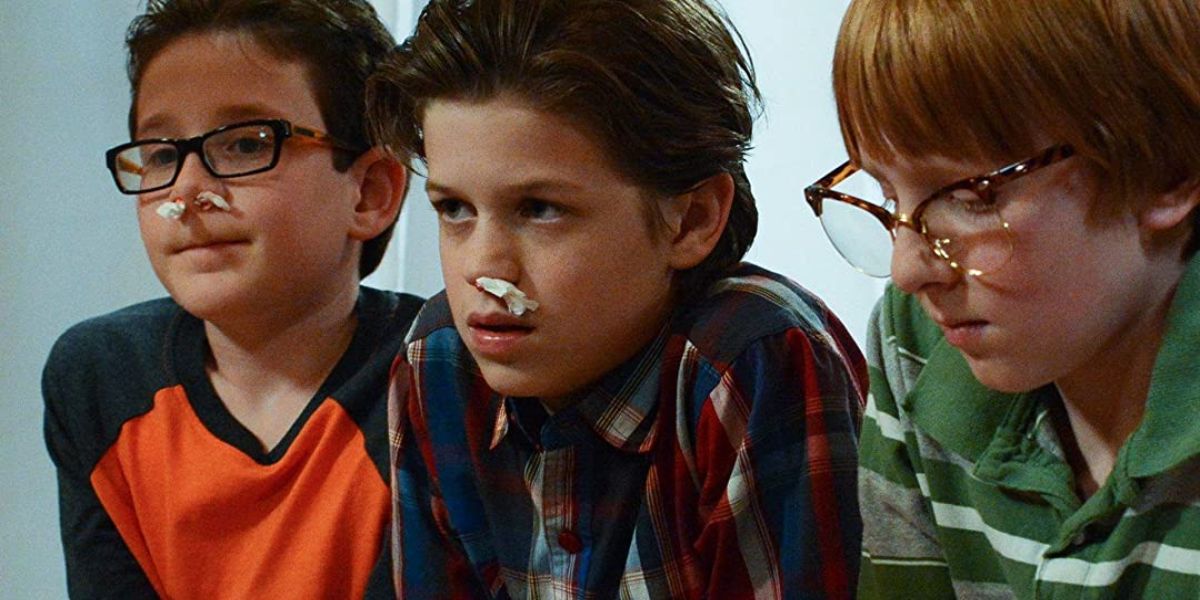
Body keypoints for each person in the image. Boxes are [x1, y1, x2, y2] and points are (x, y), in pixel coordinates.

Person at [366, 0, 868, 597]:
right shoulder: (438, 362)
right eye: (454, 209)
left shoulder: (754, 363)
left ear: (691, 220)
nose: (483, 268)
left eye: (541, 209)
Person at [804, 0, 1200, 596]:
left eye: (973, 198)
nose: (907, 270)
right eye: (888, 194)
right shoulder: (917, 344)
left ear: (1167, 171)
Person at [41, 1, 421, 597]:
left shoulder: (436, 375)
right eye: (162, 154)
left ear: (369, 192)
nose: (188, 191)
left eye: (246, 144)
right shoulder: (97, 376)